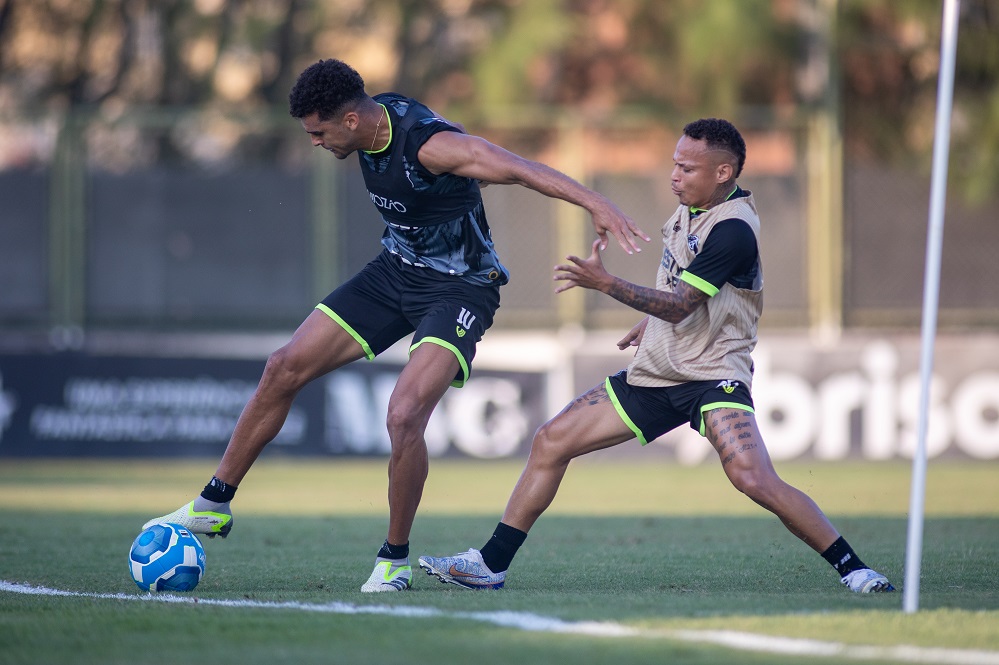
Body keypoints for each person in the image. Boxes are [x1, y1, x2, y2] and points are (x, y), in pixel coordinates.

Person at [142, 59, 649, 593]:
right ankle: (214, 502)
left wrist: (596, 201)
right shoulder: (367, 123)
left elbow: (513, 166)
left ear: (352, 122)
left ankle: (394, 560)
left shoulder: (428, 146)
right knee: (283, 366)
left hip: (459, 288)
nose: (314, 143)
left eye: (318, 132)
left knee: (403, 415)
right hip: (394, 272)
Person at [418, 118, 895, 594]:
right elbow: (687, 291)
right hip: (658, 374)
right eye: (675, 164)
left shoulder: (734, 230)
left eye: (687, 168)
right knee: (550, 441)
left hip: (711, 376)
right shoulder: (689, 210)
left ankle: (855, 569)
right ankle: (490, 564)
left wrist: (606, 284)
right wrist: (652, 323)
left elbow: (682, 303)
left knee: (753, 477)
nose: (675, 175)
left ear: (724, 173)